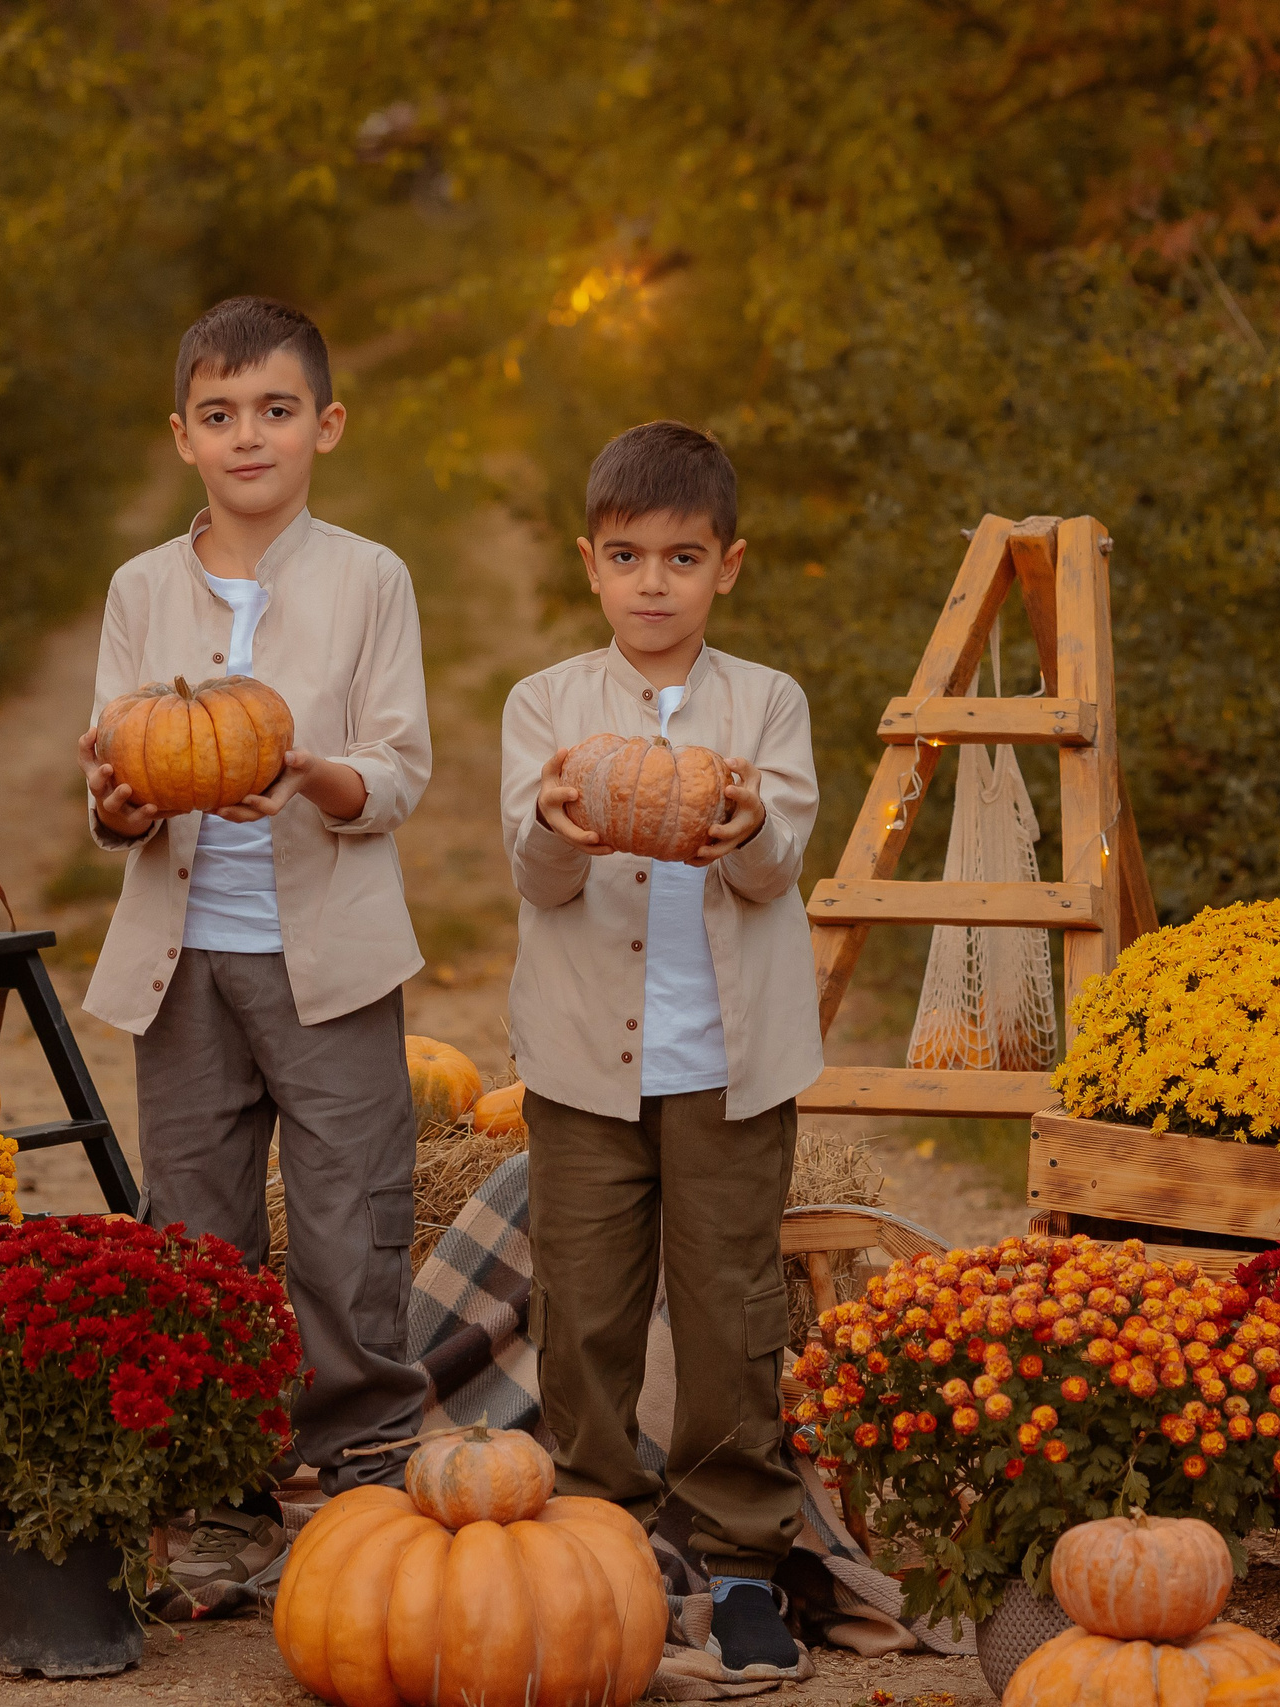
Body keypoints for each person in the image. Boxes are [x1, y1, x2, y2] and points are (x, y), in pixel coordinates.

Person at [76, 295, 431, 1593]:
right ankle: (224, 1494)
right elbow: (115, 789)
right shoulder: (137, 592)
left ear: (324, 426)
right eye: (220, 415)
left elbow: (399, 769)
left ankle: (363, 1482)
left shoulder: (368, 579)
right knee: (198, 1233)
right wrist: (118, 800)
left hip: (327, 953)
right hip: (183, 963)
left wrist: (309, 772)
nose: (249, 437)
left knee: (349, 1217)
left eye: (276, 411)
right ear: (182, 435)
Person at [499, 420, 822, 1679]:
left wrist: (741, 824)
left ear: (726, 567)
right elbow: (533, 881)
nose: (652, 583)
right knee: (582, 1309)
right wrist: (558, 824)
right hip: (585, 1064)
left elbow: (772, 867)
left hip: (730, 1069)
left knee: (732, 1309)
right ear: (591, 563)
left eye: (680, 559)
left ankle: (741, 1553)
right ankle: (600, 1532)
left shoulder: (769, 705)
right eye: (627, 556)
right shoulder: (548, 706)